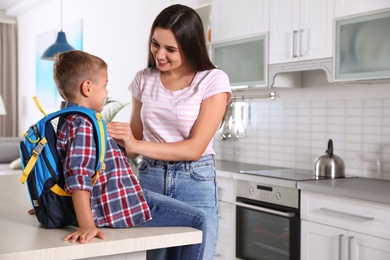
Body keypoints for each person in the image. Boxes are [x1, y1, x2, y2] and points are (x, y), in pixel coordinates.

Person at [50, 49, 207, 260]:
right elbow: (78, 175)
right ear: (87, 87)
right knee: (199, 220)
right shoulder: (83, 124)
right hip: (123, 204)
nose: (106, 92)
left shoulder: (69, 119)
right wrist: (87, 224)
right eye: (104, 85)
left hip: (119, 199)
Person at [106, 4, 232, 259]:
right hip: (150, 177)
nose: (159, 54)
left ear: (190, 46)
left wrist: (135, 145)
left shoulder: (212, 80)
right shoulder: (144, 78)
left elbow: (195, 148)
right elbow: (136, 136)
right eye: (155, 44)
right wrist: (103, 133)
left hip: (194, 182)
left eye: (170, 49)